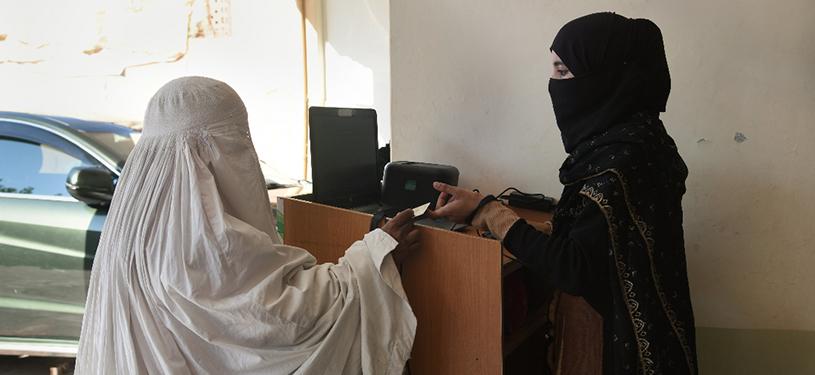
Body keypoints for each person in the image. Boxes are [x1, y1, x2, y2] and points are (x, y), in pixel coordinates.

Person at [75, 76, 419, 374]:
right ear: (206, 149)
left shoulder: (133, 224)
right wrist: (374, 257)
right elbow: (279, 320)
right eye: (237, 142)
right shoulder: (206, 238)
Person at [431, 12, 698, 375]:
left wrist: (486, 210)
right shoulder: (645, 139)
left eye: (564, 72)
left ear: (604, 79)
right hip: (654, 329)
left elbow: (574, 268)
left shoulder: (619, 162)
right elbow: (606, 240)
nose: (554, 84)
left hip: (615, 344)